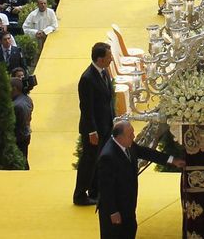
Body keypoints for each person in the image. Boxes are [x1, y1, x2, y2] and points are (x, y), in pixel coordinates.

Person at [96, 118, 183, 239]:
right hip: (115, 209)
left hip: (128, 205)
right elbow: (106, 189)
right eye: (130, 134)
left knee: (130, 231)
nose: (133, 136)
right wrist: (113, 212)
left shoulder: (128, 144)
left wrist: (172, 160)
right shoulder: (108, 157)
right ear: (120, 137)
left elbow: (146, 152)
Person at [74, 42, 117, 206]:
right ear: (100, 59)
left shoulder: (104, 72)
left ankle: (94, 191)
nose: (111, 59)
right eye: (109, 56)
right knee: (89, 161)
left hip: (105, 125)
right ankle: (79, 194)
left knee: (100, 160)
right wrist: (92, 131)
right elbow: (86, 108)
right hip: (94, 129)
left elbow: (108, 100)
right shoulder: (87, 78)